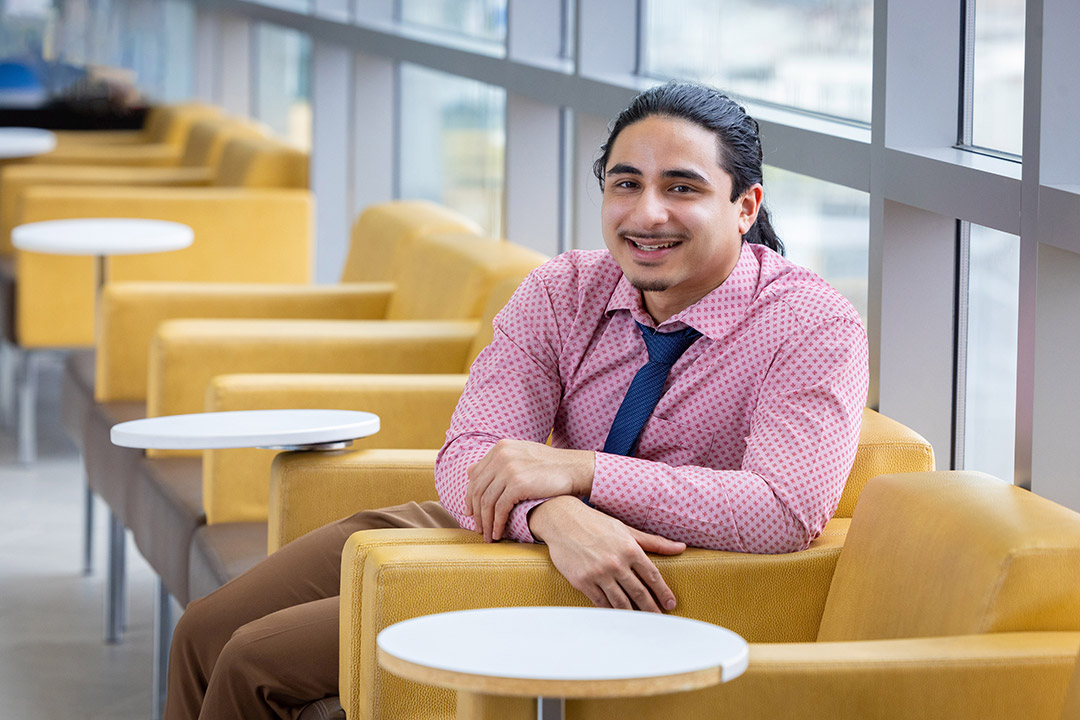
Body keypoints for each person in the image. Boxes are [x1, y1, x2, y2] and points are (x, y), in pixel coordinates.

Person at [165, 81, 869, 720]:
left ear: (744, 205)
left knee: (256, 660)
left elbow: (784, 509)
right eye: (626, 184)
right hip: (515, 528)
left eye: (682, 188)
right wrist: (555, 512)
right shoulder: (563, 290)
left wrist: (583, 473)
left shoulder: (811, 324)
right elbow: (470, 452)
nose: (647, 212)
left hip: (632, 573)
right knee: (202, 629)